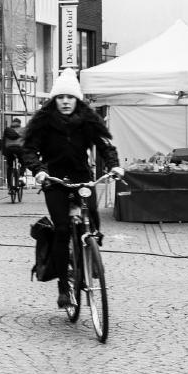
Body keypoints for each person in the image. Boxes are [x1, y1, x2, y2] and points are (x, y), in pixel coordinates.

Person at [21, 69, 124, 309]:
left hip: (82, 179)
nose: (65, 102)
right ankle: (64, 288)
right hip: (54, 180)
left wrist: (114, 166)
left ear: (77, 99)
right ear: (54, 100)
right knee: (62, 229)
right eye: (60, 97)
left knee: (94, 223)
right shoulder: (44, 122)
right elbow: (28, 150)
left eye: (70, 97)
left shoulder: (88, 121)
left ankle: (91, 260)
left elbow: (106, 145)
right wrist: (38, 170)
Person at [1, 117, 25, 191]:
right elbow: (26, 140)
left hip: (9, 149)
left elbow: (3, 141)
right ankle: (21, 176)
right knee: (23, 162)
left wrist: (4, 153)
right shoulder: (23, 130)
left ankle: (9, 185)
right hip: (19, 149)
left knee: (10, 166)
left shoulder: (7, 130)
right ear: (20, 123)